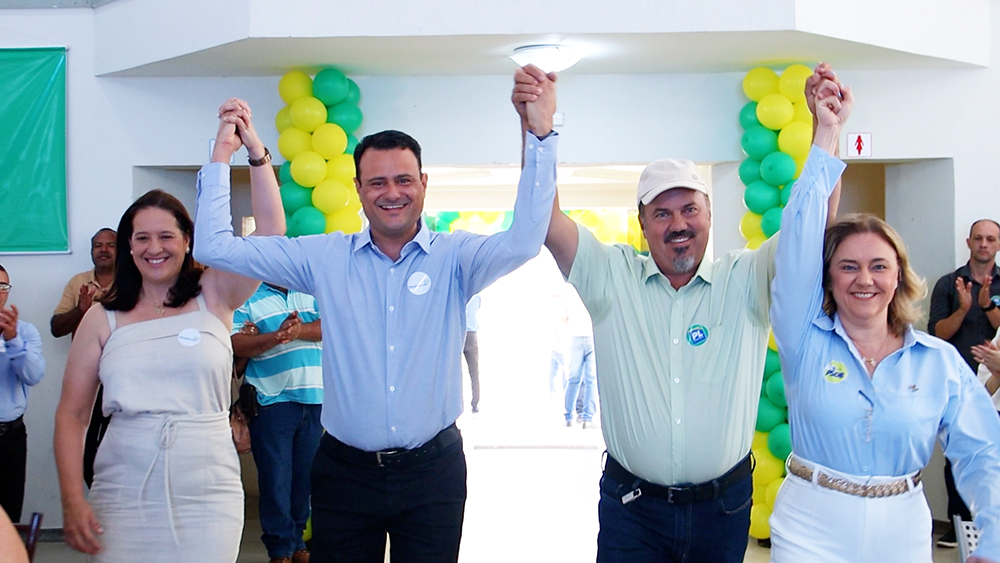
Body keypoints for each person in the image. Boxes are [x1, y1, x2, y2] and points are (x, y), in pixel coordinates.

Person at [193, 67, 558, 561]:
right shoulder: (325, 257)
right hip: (345, 473)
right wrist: (227, 152)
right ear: (359, 188)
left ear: (423, 183)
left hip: (433, 473)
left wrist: (540, 135)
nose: (392, 192)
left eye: (404, 179)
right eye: (378, 182)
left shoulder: (456, 258)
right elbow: (214, 246)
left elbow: (526, 239)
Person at [513, 64, 829, 559]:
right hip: (633, 511)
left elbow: (811, 231)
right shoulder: (611, 275)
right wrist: (538, 131)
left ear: (709, 215)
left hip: (722, 509)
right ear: (642, 224)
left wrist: (825, 131)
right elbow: (546, 221)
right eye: (662, 213)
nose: (678, 224)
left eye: (690, 209)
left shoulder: (746, 277)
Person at [769, 68, 1000, 563]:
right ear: (827, 278)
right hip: (810, 523)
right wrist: (827, 131)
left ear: (899, 276)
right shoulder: (803, 338)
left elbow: (983, 451)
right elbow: (801, 231)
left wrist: (995, 537)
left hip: (903, 525)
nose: (864, 279)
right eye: (847, 266)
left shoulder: (937, 361)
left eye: (879, 266)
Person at [53, 97, 285, 560]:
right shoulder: (102, 316)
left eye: (166, 236)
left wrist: (245, 151)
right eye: (142, 238)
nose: (153, 248)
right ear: (128, 246)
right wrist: (72, 498)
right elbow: (72, 415)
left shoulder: (215, 294)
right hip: (122, 485)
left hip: (208, 488)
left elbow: (271, 233)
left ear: (188, 241)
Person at [232, 283, 323, 563]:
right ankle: (280, 550)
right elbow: (236, 343)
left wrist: (296, 331)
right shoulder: (246, 296)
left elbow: (331, 326)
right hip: (271, 400)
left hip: (315, 397)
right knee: (276, 480)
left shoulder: (311, 290)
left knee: (305, 478)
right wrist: (276, 336)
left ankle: (298, 542)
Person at [928, 218, 1000, 546]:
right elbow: (937, 334)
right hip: (957, 382)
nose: (984, 244)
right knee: (957, 452)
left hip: (994, 385)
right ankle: (959, 524)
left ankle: (990, 526)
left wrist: (985, 306)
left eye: (991, 239)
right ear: (969, 242)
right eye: (978, 238)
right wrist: (964, 309)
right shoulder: (948, 284)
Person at [50, 227, 117, 488]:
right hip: (88, 378)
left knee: (121, 445)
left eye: (110, 245)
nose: (104, 250)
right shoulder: (78, 282)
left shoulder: (132, 281)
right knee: (86, 453)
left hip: (121, 376)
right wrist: (80, 310)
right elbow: (56, 328)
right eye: (98, 245)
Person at [0, 265, 45, 524]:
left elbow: (33, 376)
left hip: (10, 437)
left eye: (3, 286)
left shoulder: (25, 332)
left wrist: (13, 340)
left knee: (9, 519)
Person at [563, 288, 597, 429]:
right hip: (591, 337)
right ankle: (587, 418)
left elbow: (564, 317)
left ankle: (569, 417)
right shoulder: (592, 292)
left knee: (574, 378)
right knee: (591, 379)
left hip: (576, 337)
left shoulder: (570, 292)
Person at [464, 294, 481, 413]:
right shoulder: (477, 297)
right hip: (472, 334)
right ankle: (475, 404)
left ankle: (455, 403)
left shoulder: (461, 294)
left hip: (460, 332)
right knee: (474, 372)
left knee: (454, 371)